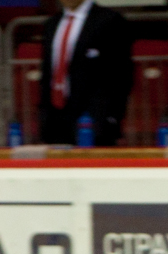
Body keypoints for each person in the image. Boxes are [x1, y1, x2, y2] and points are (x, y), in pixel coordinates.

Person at [38, 0, 133, 147]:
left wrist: (113, 117)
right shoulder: (52, 23)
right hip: (57, 118)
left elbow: (122, 73)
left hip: (95, 119)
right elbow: (48, 72)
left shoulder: (109, 20)